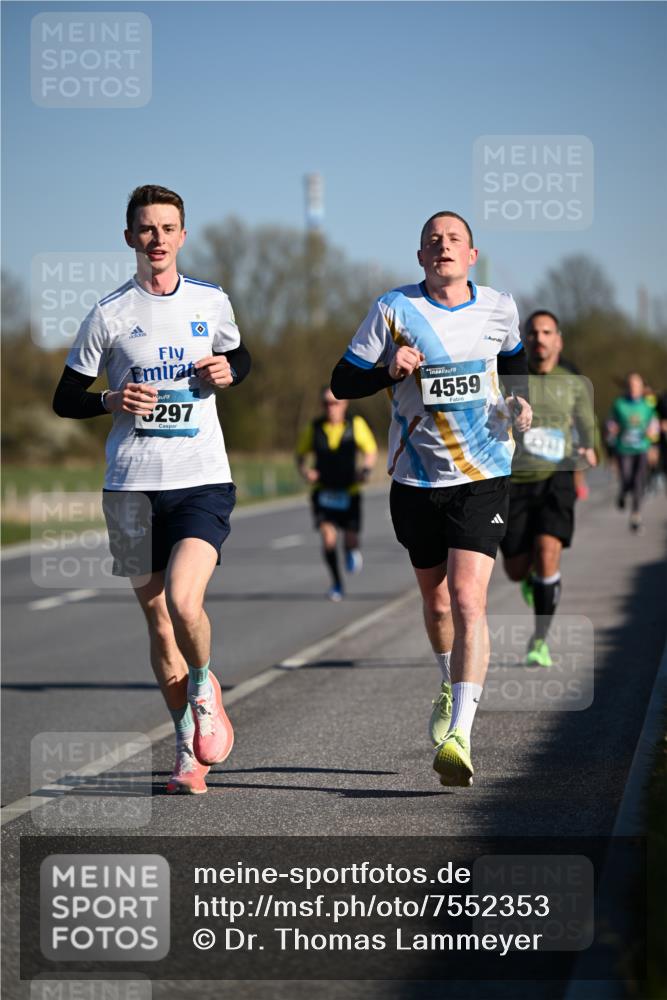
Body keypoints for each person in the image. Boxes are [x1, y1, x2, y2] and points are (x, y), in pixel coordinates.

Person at [53, 184, 251, 795]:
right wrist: (110, 399)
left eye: (168, 228)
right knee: (159, 625)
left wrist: (228, 370)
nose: (157, 238)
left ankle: (204, 688)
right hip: (131, 487)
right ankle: (186, 748)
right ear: (130, 238)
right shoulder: (110, 314)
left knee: (185, 604)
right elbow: (65, 399)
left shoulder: (211, 301)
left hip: (199, 480)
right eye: (146, 228)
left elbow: (239, 359)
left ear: (182, 236)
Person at [330, 211, 532, 788]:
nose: (442, 247)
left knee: (470, 600)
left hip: (484, 471)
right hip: (416, 480)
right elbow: (343, 381)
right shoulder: (393, 309)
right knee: (439, 604)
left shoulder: (497, 306)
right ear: (420, 258)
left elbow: (514, 359)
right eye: (431, 241)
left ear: (472, 255)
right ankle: (449, 681)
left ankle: (461, 733)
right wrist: (387, 371)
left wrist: (519, 401)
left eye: (453, 240)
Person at [500, 310, 597, 667]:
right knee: (515, 569)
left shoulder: (571, 380)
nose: (539, 338)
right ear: (524, 339)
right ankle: (533, 581)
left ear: (558, 339)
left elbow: (587, 422)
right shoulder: (510, 377)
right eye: (533, 332)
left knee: (547, 551)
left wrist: (589, 445)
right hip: (514, 481)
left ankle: (539, 641)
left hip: (556, 477)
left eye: (547, 332)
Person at [295, 388, 377, 600]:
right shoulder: (314, 428)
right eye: (327, 403)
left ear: (345, 403)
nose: (331, 408)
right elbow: (300, 455)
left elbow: (370, 450)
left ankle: (351, 550)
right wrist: (306, 472)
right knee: (328, 538)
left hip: (349, 491)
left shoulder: (355, 424)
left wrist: (366, 470)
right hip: (323, 491)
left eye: (336, 403)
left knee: (350, 539)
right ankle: (337, 583)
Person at [605, 372, 659, 533]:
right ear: (627, 387)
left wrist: (653, 440)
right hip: (624, 449)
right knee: (627, 478)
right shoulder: (619, 404)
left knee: (638, 481)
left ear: (642, 387)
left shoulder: (648, 405)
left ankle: (635, 514)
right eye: (631, 385)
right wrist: (611, 428)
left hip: (642, 448)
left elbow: (653, 424)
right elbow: (610, 422)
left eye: (637, 385)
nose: (634, 388)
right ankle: (622, 493)